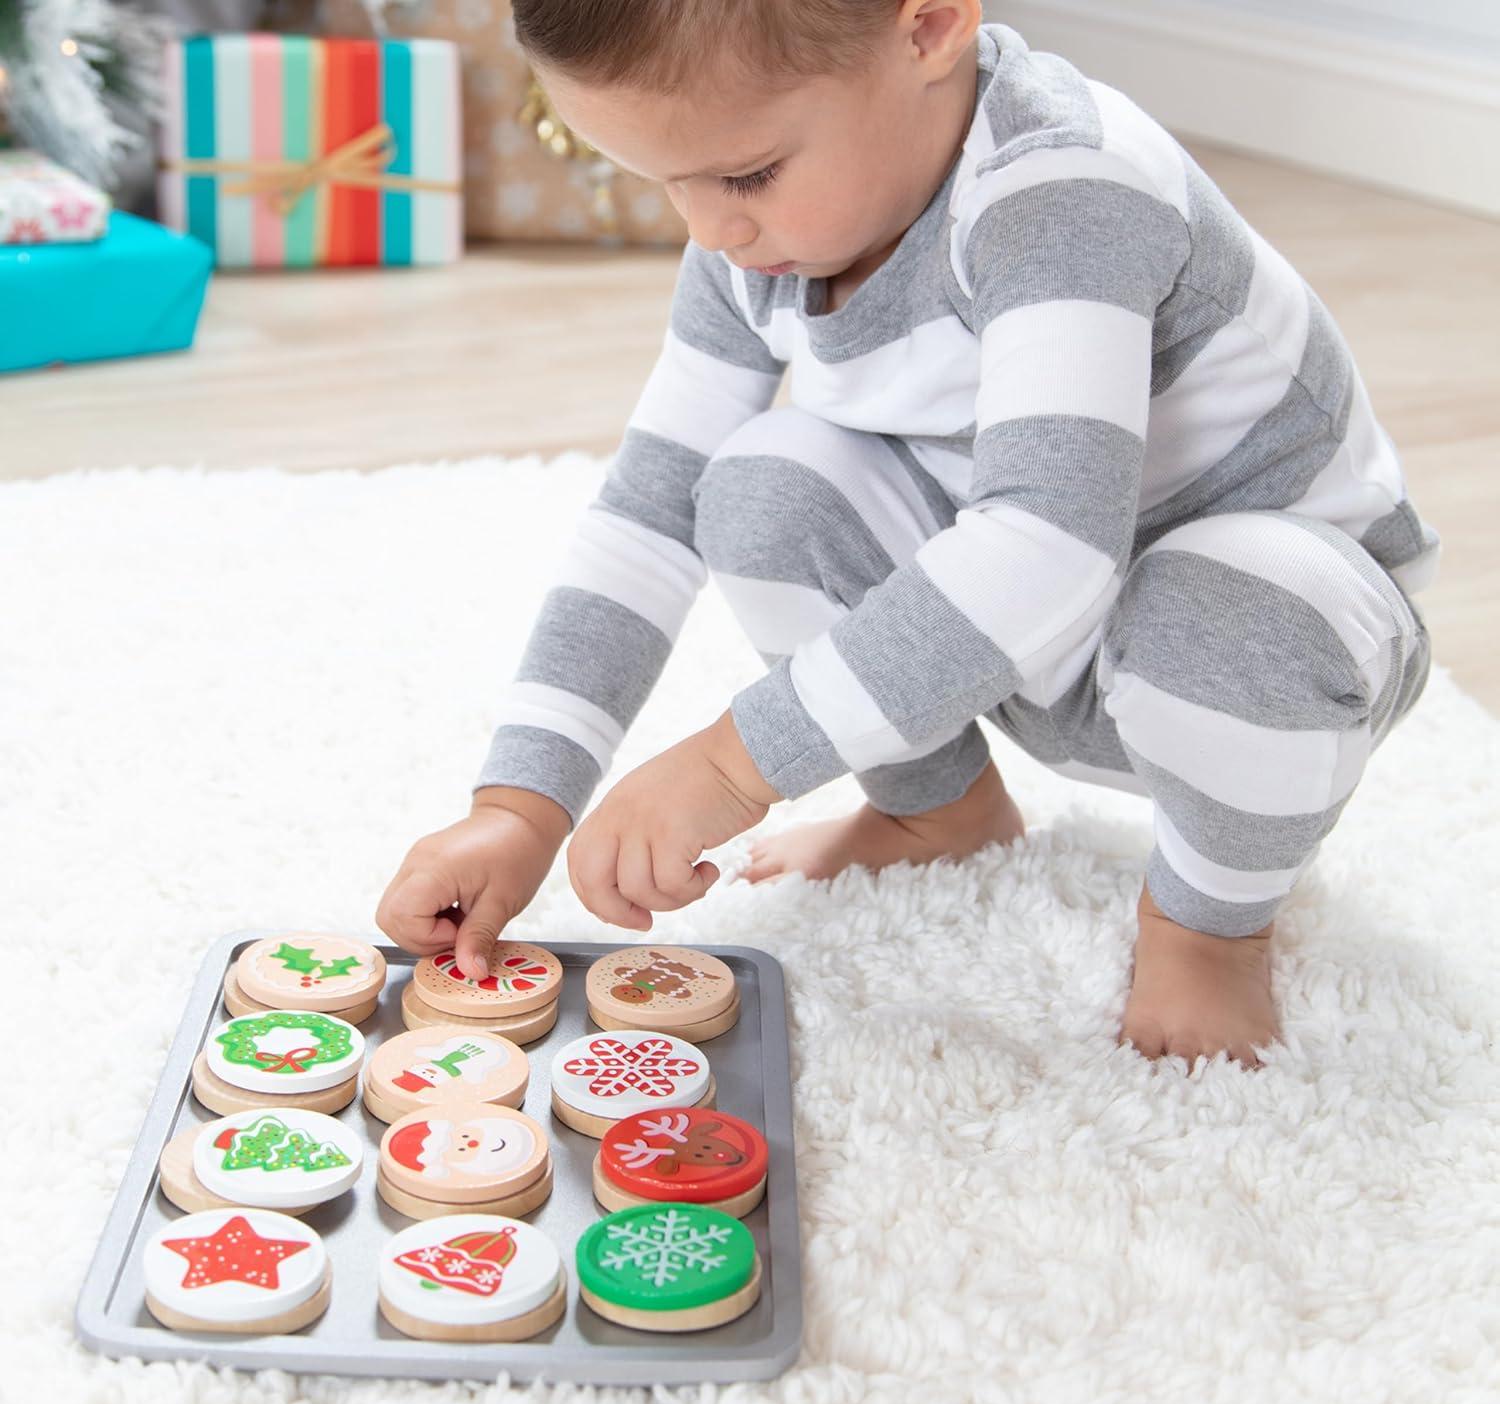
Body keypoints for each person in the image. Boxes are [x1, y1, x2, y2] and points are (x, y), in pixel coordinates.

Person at [376, 0, 1438, 1069]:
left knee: (1229, 602)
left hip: (1273, 651)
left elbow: (1048, 547)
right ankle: (942, 811)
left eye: (744, 176)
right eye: (667, 181)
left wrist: (735, 766)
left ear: (929, 24)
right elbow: (649, 514)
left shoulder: (1063, 187)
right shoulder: (758, 244)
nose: (709, 231)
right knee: (760, 488)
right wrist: (520, 805)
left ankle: (1210, 921)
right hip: (1013, 635)